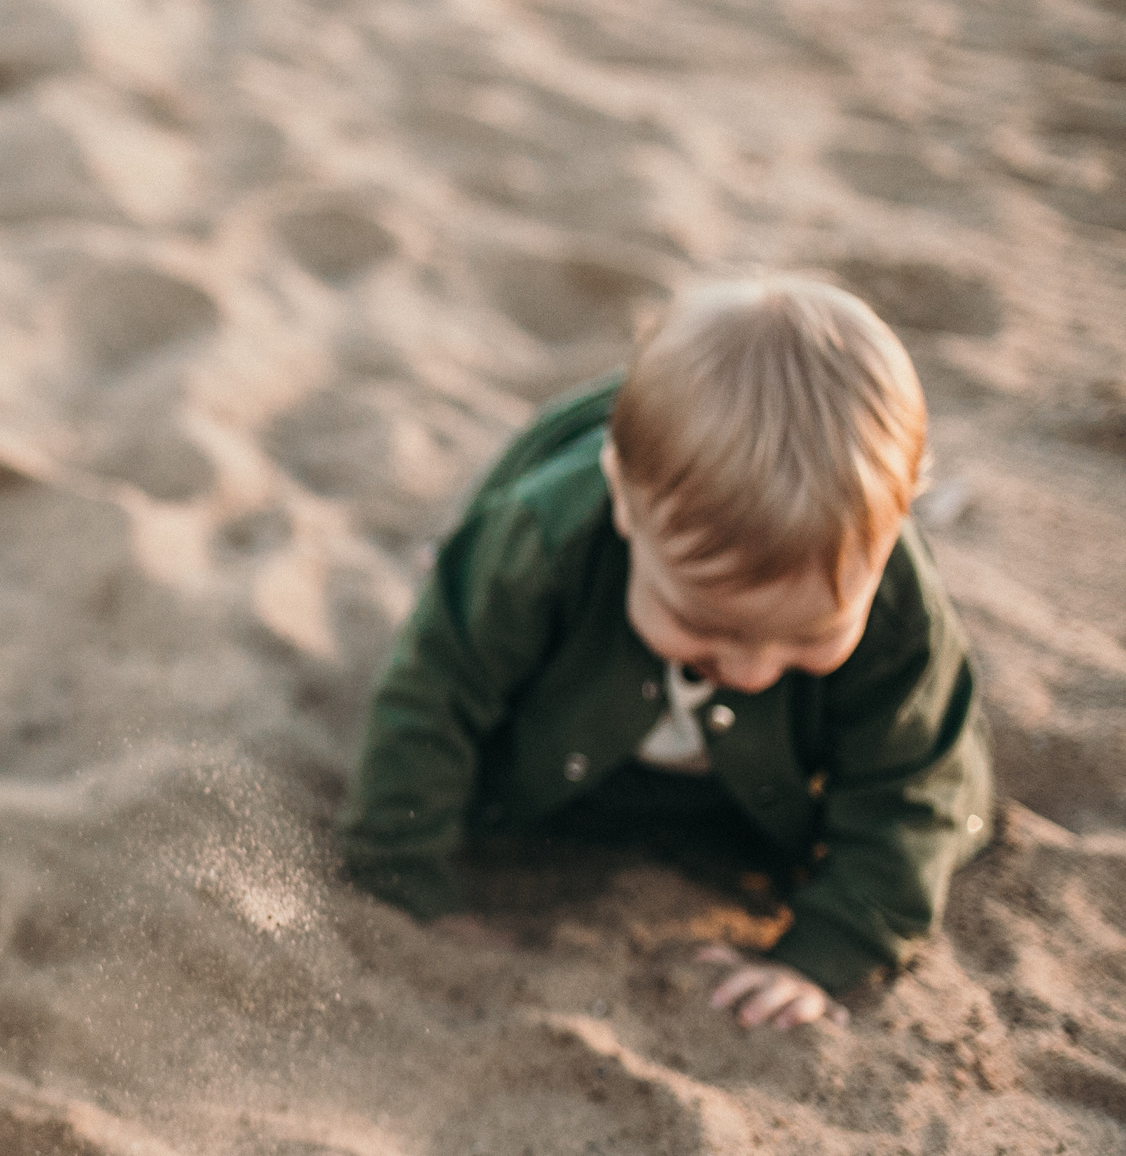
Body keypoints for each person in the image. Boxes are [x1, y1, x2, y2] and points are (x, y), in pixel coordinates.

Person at [340, 276, 991, 1028]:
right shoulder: (543, 540)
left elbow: (914, 789)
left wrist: (826, 950)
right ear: (622, 497)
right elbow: (432, 692)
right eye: (701, 622)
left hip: (763, 794)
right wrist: (406, 878)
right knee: (460, 612)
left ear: (900, 523)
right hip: (570, 758)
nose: (750, 670)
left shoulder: (898, 607)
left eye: (812, 634)